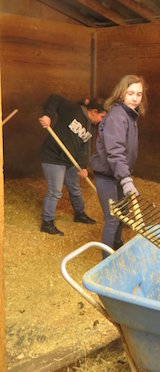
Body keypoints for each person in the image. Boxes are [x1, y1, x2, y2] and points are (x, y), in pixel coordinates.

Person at [91, 75, 148, 256]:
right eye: (130, 93)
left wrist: (125, 176)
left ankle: (117, 250)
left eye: (138, 94)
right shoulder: (117, 116)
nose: (135, 98)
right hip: (107, 176)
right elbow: (115, 150)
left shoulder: (129, 116)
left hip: (118, 174)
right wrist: (125, 179)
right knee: (113, 219)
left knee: (121, 215)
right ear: (121, 93)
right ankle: (107, 263)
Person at [39, 94, 106, 236]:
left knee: (74, 187)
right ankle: (47, 222)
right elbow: (54, 98)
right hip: (53, 156)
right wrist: (48, 116)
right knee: (55, 191)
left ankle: (79, 214)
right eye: (102, 117)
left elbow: (84, 148)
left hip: (70, 160)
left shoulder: (90, 127)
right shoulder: (72, 110)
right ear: (94, 112)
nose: (102, 121)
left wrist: (82, 166)